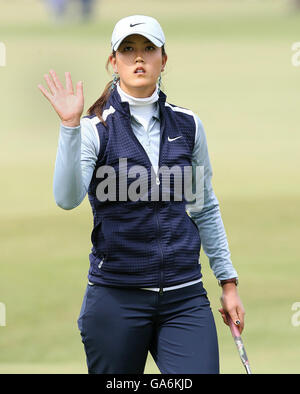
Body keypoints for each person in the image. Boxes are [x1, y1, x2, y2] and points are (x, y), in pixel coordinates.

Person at [38, 15, 245, 374]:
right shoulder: (94, 130)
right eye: (128, 49)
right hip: (116, 299)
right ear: (113, 62)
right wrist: (70, 128)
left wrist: (228, 283)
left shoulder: (188, 125)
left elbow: (205, 208)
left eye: (148, 49)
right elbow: (67, 197)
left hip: (185, 298)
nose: (139, 58)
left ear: (163, 60)